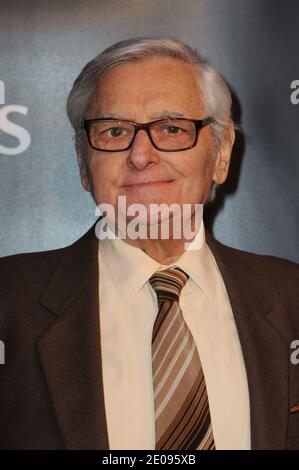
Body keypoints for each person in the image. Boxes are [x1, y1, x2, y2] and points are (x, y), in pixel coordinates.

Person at [0, 37, 298, 451]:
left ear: (221, 153)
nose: (141, 155)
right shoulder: (8, 301)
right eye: (114, 130)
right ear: (84, 163)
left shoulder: (290, 298)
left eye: (172, 128)